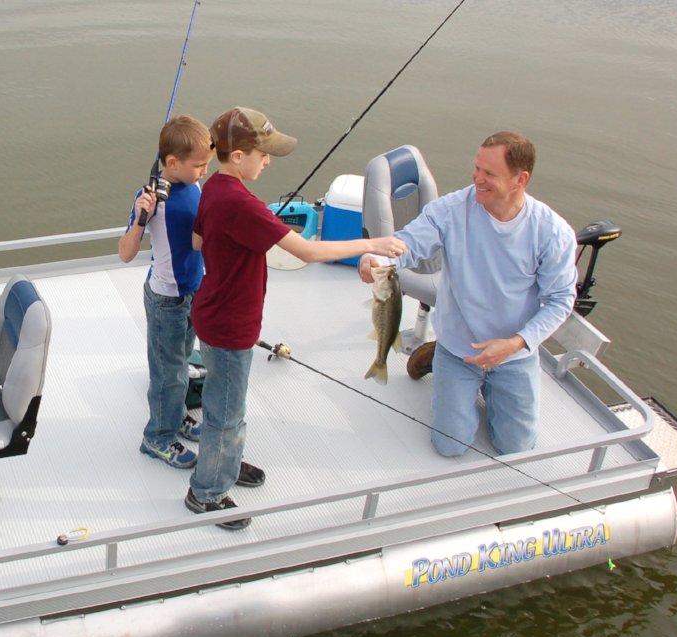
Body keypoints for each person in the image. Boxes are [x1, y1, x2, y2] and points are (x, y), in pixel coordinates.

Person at [188, 107, 405, 529]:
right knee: (225, 412)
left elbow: (198, 240)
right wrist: (372, 243)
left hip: (214, 311)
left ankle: (226, 462)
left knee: (227, 403)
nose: (267, 160)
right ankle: (206, 491)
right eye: (262, 153)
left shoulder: (213, 187)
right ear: (237, 156)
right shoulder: (241, 204)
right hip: (230, 325)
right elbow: (308, 251)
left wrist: (249, 236)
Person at [358, 131, 577, 457]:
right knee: (449, 446)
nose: (478, 178)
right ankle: (439, 356)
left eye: (489, 174)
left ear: (521, 179)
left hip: (514, 353)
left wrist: (515, 344)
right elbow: (409, 243)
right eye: (476, 168)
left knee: (515, 447)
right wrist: (378, 258)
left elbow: (560, 300)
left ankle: (481, 380)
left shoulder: (552, 232)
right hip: (458, 346)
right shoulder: (450, 210)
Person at [118, 115, 214, 470]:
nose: (203, 171)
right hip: (167, 300)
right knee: (168, 373)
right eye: (198, 165)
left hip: (194, 290)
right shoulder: (152, 201)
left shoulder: (195, 185)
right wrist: (142, 216)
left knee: (183, 360)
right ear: (172, 163)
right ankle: (157, 437)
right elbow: (126, 253)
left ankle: (176, 417)